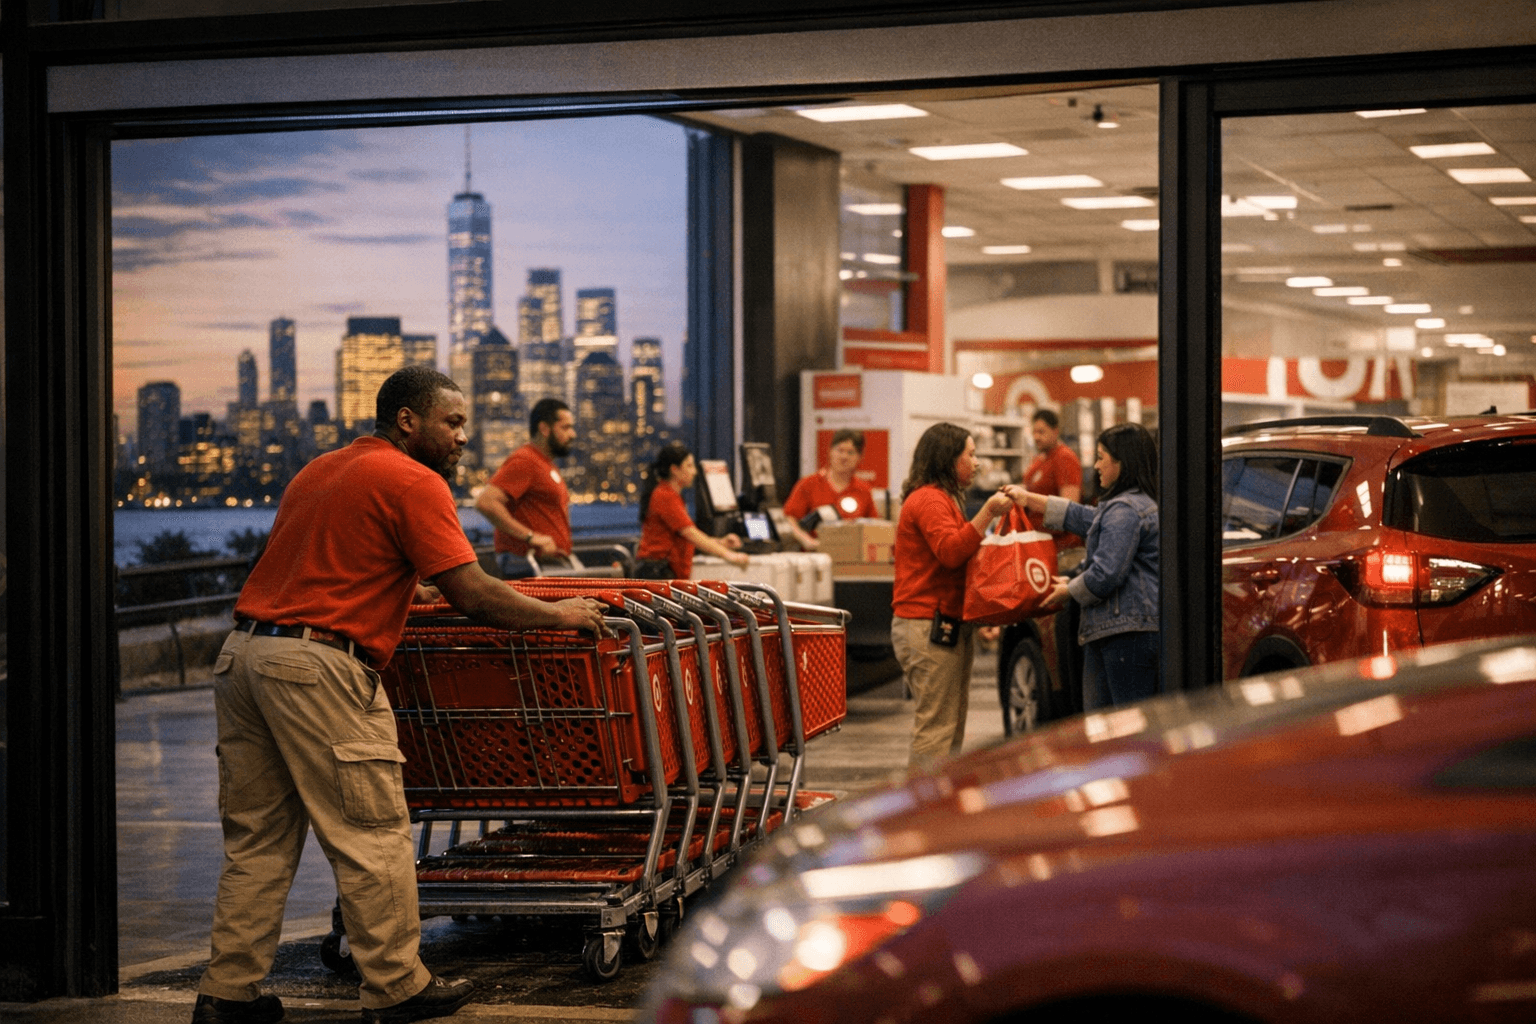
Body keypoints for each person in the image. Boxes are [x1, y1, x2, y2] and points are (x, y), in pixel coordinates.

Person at [194, 366, 604, 1024]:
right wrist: (562, 615)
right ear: (407, 421)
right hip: (319, 669)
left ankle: (227, 993)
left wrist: (408, 589)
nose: (463, 436)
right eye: (453, 422)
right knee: (373, 833)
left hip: (244, 656)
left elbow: (326, 566)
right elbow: (475, 594)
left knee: (258, 841)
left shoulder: (319, 470)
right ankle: (395, 986)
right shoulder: (414, 480)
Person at [1010, 422, 1160, 711]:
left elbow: (1106, 573)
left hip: (1124, 634)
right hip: (1124, 630)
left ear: (1123, 462)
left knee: (1122, 724)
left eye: (1102, 457)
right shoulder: (1128, 506)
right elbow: (1083, 517)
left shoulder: (1126, 510)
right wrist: (1027, 499)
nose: (1096, 466)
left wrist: (1069, 590)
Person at [891, 422, 1016, 769]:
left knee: (950, 726)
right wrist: (987, 512)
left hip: (946, 624)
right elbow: (950, 552)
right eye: (971, 455)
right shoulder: (929, 499)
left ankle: (939, 794)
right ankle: (924, 800)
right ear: (948, 459)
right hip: (926, 626)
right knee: (937, 729)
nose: (977, 463)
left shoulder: (945, 498)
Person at [474, 398, 576, 580]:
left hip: (546, 565)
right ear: (544, 428)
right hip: (525, 565)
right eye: (565, 427)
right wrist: (531, 537)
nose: (572, 434)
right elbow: (486, 502)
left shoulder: (546, 464)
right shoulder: (526, 460)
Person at [635, 441, 750, 579]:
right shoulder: (665, 495)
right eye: (689, 466)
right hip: (657, 573)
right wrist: (728, 554)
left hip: (662, 571)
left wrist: (721, 542)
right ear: (674, 469)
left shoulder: (672, 495)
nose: (694, 472)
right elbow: (691, 534)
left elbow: (685, 537)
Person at [781, 428, 879, 549]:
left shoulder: (864, 490)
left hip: (850, 555)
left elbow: (874, 526)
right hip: (816, 553)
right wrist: (806, 539)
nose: (844, 457)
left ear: (859, 457)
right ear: (830, 452)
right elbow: (789, 518)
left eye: (851, 452)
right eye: (840, 450)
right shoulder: (809, 483)